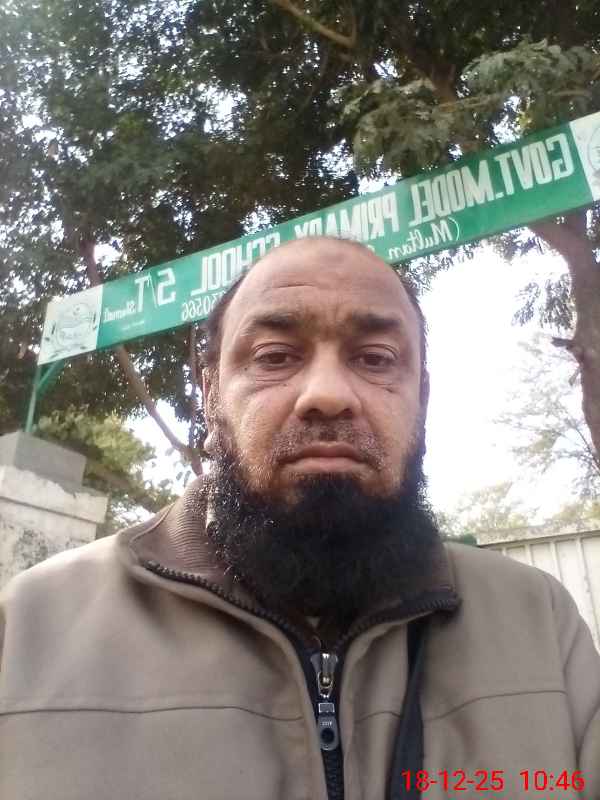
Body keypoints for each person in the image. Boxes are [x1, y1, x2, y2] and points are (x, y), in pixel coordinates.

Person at [1, 236, 599, 800]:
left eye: (375, 358)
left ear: (422, 396)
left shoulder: (540, 626)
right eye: (275, 356)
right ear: (210, 394)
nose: (327, 394)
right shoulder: (28, 629)